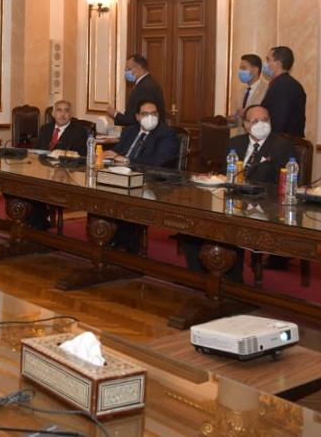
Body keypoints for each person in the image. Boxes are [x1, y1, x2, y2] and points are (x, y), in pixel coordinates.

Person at [182, 105, 297, 281]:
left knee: (229, 229)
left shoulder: (282, 146)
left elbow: (284, 182)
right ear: (245, 124)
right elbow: (226, 174)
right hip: (230, 200)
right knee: (192, 226)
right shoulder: (235, 143)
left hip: (262, 206)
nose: (261, 124)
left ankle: (233, 281)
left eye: (265, 120)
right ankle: (201, 278)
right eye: (255, 120)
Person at [103, 100, 179, 251]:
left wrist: (127, 160)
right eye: (145, 114)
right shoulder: (130, 131)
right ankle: (105, 234)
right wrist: (108, 156)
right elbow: (117, 152)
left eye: (154, 113)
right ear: (137, 117)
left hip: (149, 180)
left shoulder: (166, 134)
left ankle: (126, 244)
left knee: (127, 197)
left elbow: (158, 162)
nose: (150, 117)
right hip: (121, 175)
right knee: (101, 192)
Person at [28, 100, 90, 230]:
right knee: (24, 187)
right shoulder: (45, 129)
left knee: (36, 191)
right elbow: (38, 151)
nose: (63, 114)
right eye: (59, 110)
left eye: (66, 110)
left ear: (70, 114)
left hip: (66, 175)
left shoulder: (79, 131)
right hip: (42, 172)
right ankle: (34, 221)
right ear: (53, 113)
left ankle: (37, 224)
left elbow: (81, 156)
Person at [107, 54, 166, 127]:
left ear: (138, 68)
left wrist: (115, 114)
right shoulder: (148, 83)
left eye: (128, 69)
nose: (125, 72)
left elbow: (135, 119)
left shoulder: (144, 87)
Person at [260, 45, 306, 138]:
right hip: (287, 141)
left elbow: (278, 121)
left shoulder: (281, 86)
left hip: (281, 142)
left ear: (278, 64)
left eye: (268, 60)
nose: (265, 64)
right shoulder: (290, 84)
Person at [233, 54, 267, 123]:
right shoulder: (241, 91)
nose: (240, 71)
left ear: (255, 70)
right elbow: (237, 116)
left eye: (243, 68)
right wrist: (234, 117)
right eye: (240, 68)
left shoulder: (267, 89)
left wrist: (247, 113)